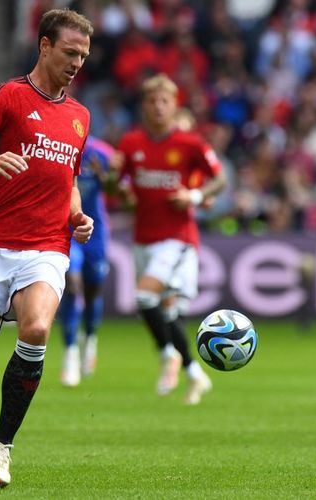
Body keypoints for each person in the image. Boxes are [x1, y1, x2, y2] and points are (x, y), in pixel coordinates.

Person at [0, 8, 94, 489]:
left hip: (47, 246)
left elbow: (68, 178)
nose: (76, 63)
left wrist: (77, 215)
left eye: (84, 56)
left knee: (38, 327)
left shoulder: (79, 116)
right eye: (70, 52)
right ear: (45, 46)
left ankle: (2, 448)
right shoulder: (9, 96)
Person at [116, 73, 227, 405]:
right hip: (143, 239)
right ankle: (194, 373)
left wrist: (193, 197)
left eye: (164, 100)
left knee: (144, 297)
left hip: (177, 239)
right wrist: (118, 189)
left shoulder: (190, 144)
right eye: (152, 100)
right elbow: (120, 190)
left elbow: (218, 181)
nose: (158, 106)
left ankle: (167, 354)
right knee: (171, 313)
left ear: (174, 105)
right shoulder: (131, 143)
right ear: (144, 106)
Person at [58, 136, 120, 386]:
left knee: (94, 290)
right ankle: (70, 353)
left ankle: (90, 339)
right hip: (65, 227)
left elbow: (117, 192)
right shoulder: (57, 145)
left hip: (96, 230)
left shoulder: (102, 152)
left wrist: (104, 177)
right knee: (72, 285)